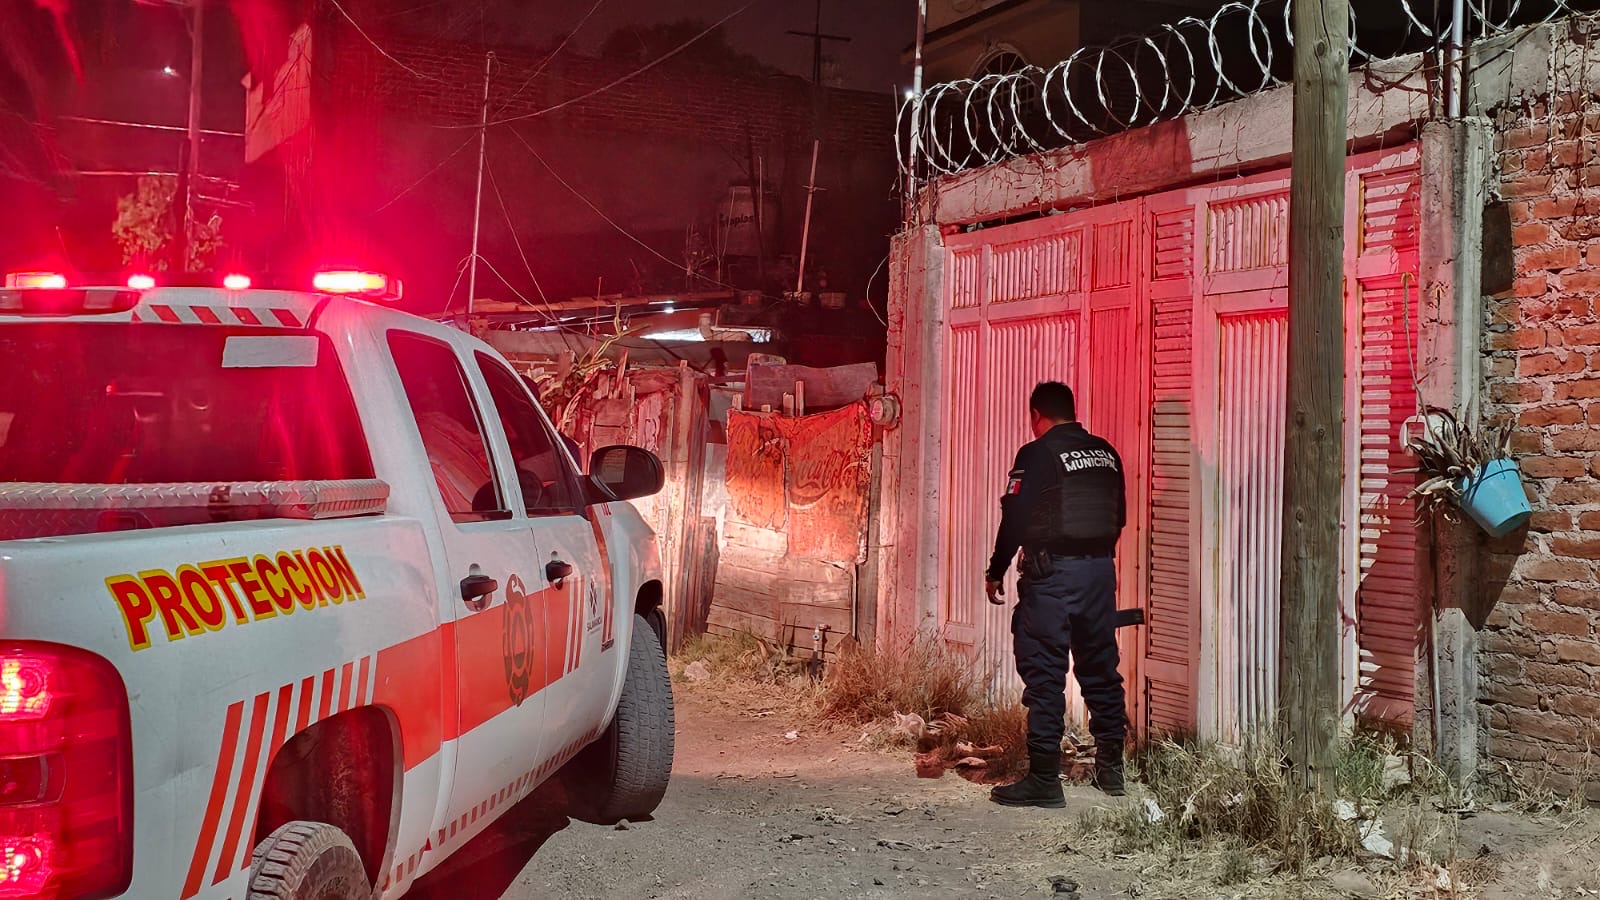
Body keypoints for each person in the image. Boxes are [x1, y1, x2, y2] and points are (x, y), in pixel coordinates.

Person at [985, 381, 1127, 808]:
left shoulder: (1037, 454)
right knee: (1101, 668)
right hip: (1100, 573)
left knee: (1045, 670)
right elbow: (1117, 514)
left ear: (1036, 415)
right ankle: (1112, 772)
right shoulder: (1106, 453)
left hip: (1053, 577)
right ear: (1072, 410)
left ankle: (1045, 779)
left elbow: (1015, 519)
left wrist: (996, 570)